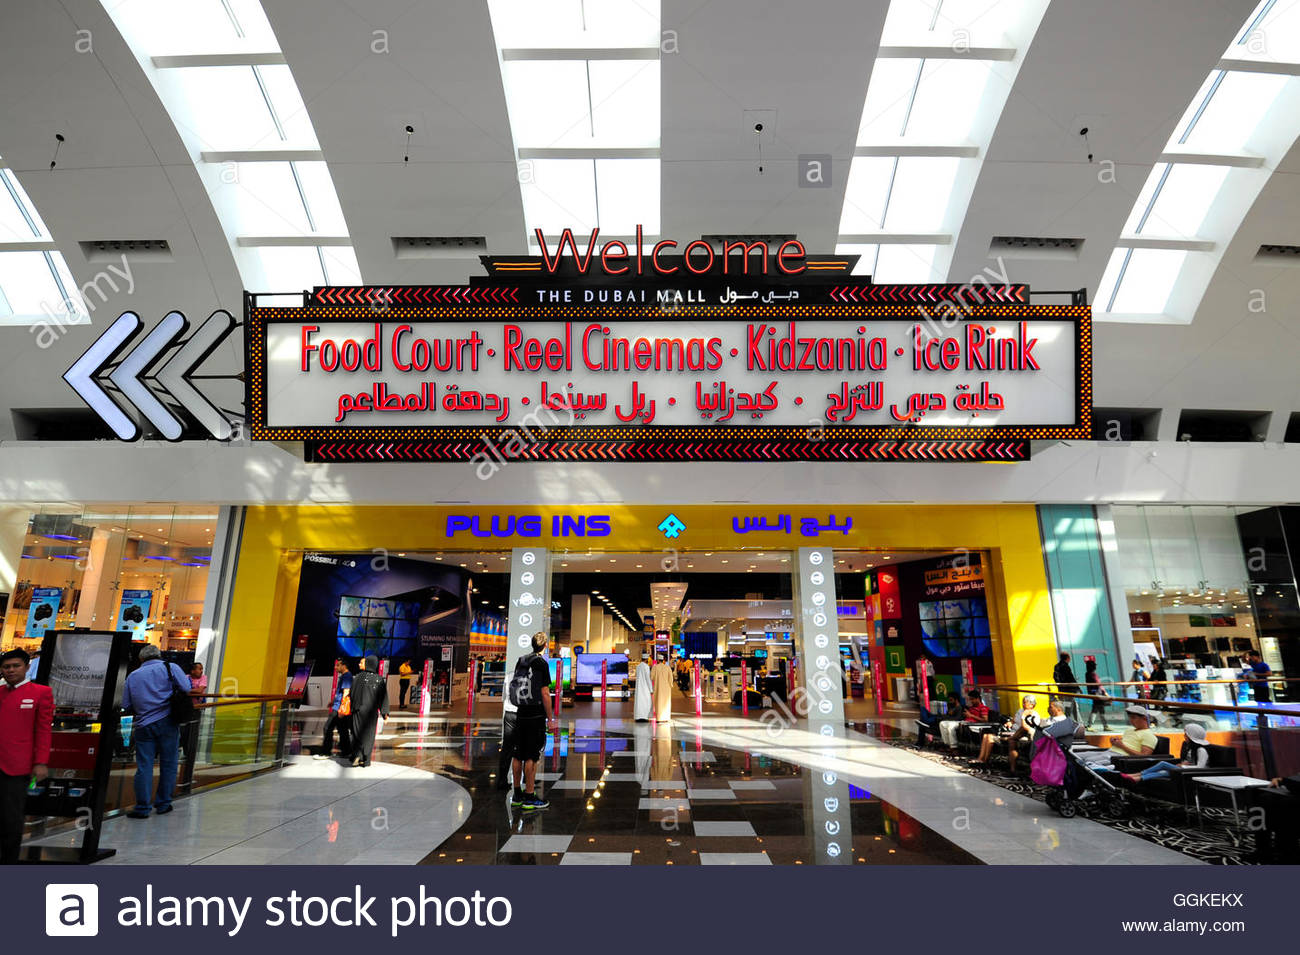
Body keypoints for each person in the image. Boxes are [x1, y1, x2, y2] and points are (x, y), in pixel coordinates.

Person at [121, 644, 191, 818]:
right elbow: (186, 688)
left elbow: (126, 704)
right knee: (169, 764)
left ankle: (142, 807)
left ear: (141, 659)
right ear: (159, 656)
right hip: (168, 721)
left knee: (144, 766)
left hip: (143, 725)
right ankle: (163, 803)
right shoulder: (171, 667)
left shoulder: (133, 676)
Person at [0, 648, 53, 863]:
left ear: (27, 667)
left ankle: (8, 862)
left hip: (16, 766)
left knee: (10, 818)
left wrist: (41, 762)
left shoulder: (41, 692)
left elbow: (43, 730)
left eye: (15, 666)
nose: (10, 670)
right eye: (6, 667)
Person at [508, 633, 555, 810]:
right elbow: (544, 693)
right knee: (531, 756)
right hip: (535, 714)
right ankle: (529, 796)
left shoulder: (522, 660)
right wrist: (550, 718)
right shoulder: (541, 663)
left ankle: (517, 794)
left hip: (521, 712)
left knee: (518, 754)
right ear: (545, 646)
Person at [1120, 721, 1210, 783]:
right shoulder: (1190, 748)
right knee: (1164, 773)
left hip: (1193, 772)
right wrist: (1183, 764)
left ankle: (1136, 775)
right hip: (1184, 770)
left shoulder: (1201, 750)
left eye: (1186, 735)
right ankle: (1137, 778)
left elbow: (1200, 767)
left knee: (1163, 764)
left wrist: (1183, 766)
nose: (1184, 736)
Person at [1083, 704, 1158, 770]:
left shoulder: (1149, 735)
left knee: (1087, 761)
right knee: (1077, 756)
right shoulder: (1129, 730)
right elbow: (1124, 744)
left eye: (1134, 718)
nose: (1131, 720)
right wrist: (1115, 742)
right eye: (1130, 718)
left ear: (1144, 718)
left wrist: (1122, 746)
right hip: (1109, 752)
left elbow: (1144, 757)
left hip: (1120, 757)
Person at [972, 693, 1037, 768]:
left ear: (1032, 705)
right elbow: (1013, 720)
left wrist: (1023, 716)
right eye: (1023, 702)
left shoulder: (1033, 715)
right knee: (986, 735)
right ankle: (981, 758)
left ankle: (984, 760)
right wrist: (1010, 723)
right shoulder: (1020, 710)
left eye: (1025, 703)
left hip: (1018, 734)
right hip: (1010, 730)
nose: (1023, 704)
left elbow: (1025, 727)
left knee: (990, 738)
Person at [348, 654, 388, 767]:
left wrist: (354, 707)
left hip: (358, 711)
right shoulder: (379, 679)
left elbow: (352, 693)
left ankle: (357, 755)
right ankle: (366, 759)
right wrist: (385, 713)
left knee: (357, 733)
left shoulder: (359, 677)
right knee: (369, 735)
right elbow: (383, 697)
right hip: (371, 713)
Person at [314, 658, 353, 760]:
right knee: (342, 730)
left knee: (327, 728)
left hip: (338, 709)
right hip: (337, 706)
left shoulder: (347, 677)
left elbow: (346, 692)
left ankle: (326, 752)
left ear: (344, 666)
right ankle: (346, 751)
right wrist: (332, 702)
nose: (335, 667)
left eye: (338, 665)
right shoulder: (344, 676)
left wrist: (341, 708)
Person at [1053, 652, 1081, 720]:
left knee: (1073, 706)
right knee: (1068, 706)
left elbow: (1055, 678)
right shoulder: (1065, 666)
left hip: (1062, 690)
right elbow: (1070, 678)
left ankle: (1079, 722)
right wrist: (1078, 688)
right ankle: (1067, 721)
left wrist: (1060, 688)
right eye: (1069, 657)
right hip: (1069, 690)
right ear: (1067, 658)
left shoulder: (1056, 666)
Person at [1085, 659, 1111, 730]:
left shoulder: (1087, 674)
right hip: (1098, 694)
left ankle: (1093, 725)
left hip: (1093, 694)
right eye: (1094, 665)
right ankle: (1102, 726)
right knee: (1098, 709)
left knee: (1096, 709)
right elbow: (1099, 685)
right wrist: (1105, 693)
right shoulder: (1093, 674)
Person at [651, 655, 674, 721]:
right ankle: (666, 717)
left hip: (658, 687)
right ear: (663, 660)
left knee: (658, 702)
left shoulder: (655, 667)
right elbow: (671, 679)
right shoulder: (668, 667)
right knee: (666, 702)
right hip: (667, 689)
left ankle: (659, 718)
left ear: (658, 660)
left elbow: (651, 677)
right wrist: (671, 685)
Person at [633, 655, 652, 722]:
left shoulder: (638, 666)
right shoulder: (646, 667)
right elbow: (647, 678)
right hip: (645, 687)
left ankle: (638, 717)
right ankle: (644, 717)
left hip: (639, 687)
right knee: (646, 702)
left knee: (639, 702)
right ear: (646, 659)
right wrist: (651, 689)